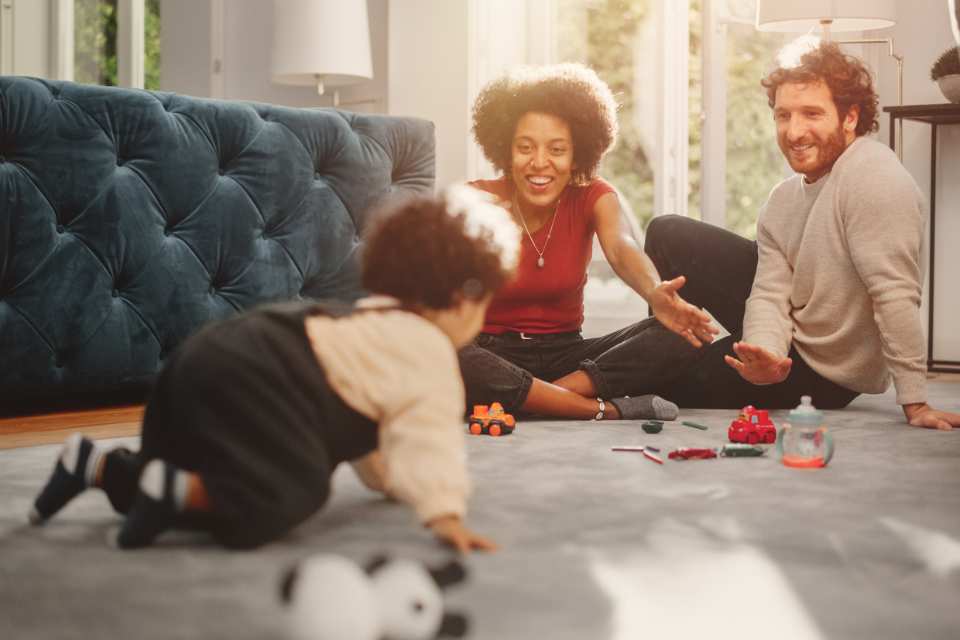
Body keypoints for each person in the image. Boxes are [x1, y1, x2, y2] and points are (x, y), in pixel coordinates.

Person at [28, 186, 522, 551]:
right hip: (264, 378)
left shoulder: (371, 318)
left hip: (206, 358)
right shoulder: (429, 354)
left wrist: (391, 483)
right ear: (465, 297)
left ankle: (93, 464)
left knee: (207, 461)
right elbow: (428, 438)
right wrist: (444, 514)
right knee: (288, 491)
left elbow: (373, 426)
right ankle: (173, 491)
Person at [636, 39, 959, 430]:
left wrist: (916, 401)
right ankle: (659, 346)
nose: (794, 131)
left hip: (829, 372)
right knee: (667, 232)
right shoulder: (784, 198)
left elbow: (894, 293)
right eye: (783, 115)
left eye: (811, 114)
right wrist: (765, 358)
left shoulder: (875, 177)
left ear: (850, 118)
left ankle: (645, 364)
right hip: (789, 346)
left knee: (657, 384)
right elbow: (770, 291)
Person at [461, 63, 718, 423]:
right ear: (505, 148)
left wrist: (654, 291)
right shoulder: (475, 199)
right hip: (493, 352)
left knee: (684, 332)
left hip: (568, 356)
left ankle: (534, 398)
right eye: (525, 147)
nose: (539, 163)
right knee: (445, 349)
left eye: (556, 149)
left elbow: (621, 246)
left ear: (578, 153)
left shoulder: (593, 195)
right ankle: (597, 408)